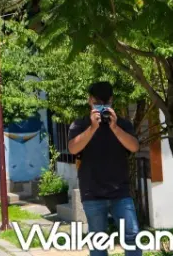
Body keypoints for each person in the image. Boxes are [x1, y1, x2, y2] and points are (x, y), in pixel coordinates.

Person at [68, 82, 141, 256]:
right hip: (92, 193)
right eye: (97, 103)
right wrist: (93, 128)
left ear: (111, 101)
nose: (101, 108)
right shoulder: (80, 124)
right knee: (98, 243)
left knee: (132, 236)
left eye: (105, 104)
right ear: (90, 101)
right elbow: (73, 148)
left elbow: (134, 147)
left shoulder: (122, 124)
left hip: (120, 192)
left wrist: (114, 127)